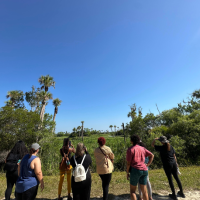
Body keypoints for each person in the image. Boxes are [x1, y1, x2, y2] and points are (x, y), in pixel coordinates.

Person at [151, 136, 185, 200]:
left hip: (167, 165)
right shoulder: (170, 146)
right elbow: (174, 156)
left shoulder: (161, 148)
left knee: (170, 179)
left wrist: (154, 139)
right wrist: (176, 163)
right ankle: (182, 193)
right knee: (177, 178)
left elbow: (152, 145)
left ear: (161, 142)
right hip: (174, 163)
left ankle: (174, 195)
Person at [126, 135, 154, 200]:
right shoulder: (142, 148)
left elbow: (128, 163)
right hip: (144, 170)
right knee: (144, 191)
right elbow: (152, 155)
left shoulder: (130, 149)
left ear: (131, 141)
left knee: (132, 191)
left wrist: (127, 172)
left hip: (135, 170)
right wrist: (148, 164)